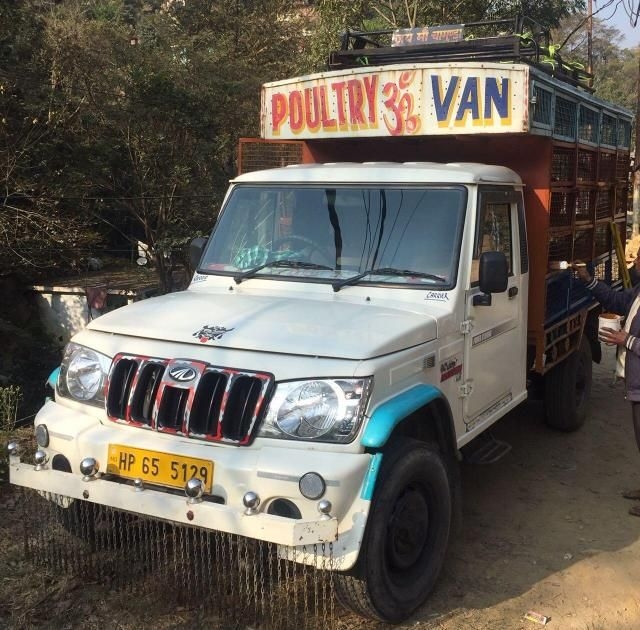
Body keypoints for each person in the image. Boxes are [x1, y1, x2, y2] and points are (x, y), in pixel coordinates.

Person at [575, 253, 640, 516]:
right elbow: (617, 300)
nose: (636, 263)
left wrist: (627, 340)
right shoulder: (638, 291)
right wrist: (589, 281)